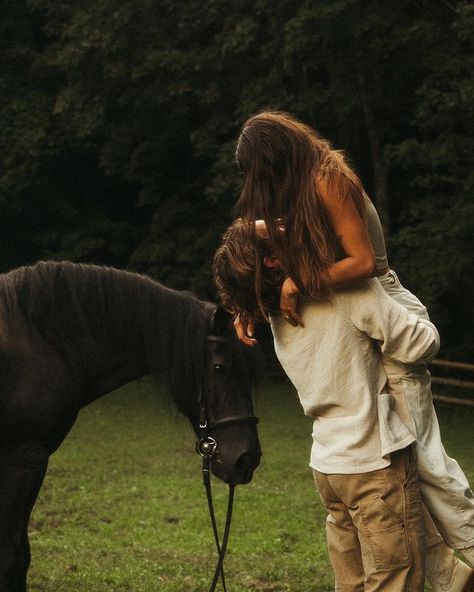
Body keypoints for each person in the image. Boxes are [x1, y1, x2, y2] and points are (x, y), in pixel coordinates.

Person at [232, 112, 474, 568]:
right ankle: (450, 579)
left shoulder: (327, 178)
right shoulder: (293, 191)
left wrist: (299, 281)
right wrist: (245, 302)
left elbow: (362, 262)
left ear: (279, 156)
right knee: (397, 475)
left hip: (382, 308)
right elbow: (253, 241)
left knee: (427, 466)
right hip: (351, 315)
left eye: (262, 170)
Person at [213, 220, 474, 591]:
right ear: (272, 260)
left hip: (329, 466)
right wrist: (383, 286)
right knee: (395, 578)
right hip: (373, 463)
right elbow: (421, 344)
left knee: (350, 581)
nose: (283, 220)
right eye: (272, 226)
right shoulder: (347, 293)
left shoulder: (274, 315)